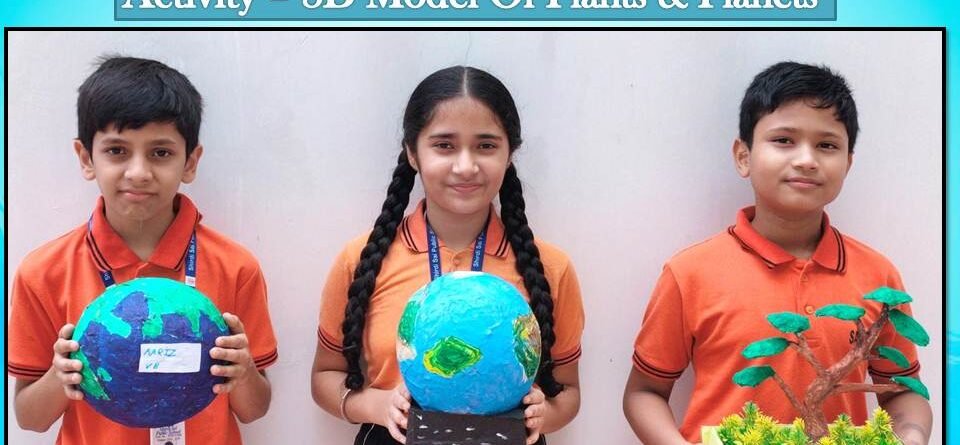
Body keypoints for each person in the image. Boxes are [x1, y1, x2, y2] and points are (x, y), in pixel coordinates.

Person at [622, 61, 933, 445]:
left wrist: (911, 435)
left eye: (827, 145)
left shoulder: (878, 276)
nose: (806, 159)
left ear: (848, 164)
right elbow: (644, 392)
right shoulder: (689, 272)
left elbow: (902, 391)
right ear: (743, 156)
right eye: (784, 140)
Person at [8, 56, 279, 445]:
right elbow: (29, 419)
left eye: (160, 153)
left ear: (190, 162)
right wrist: (60, 376)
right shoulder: (43, 272)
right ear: (86, 158)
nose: (138, 172)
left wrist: (243, 372)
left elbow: (255, 409)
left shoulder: (235, 266)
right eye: (117, 151)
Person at [310, 66, 585, 445]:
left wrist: (545, 414)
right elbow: (325, 376)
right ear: (412, 152)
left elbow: (568, 392)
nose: (465, 166)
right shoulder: (360, 259)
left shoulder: (551, 267)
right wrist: (376, 405)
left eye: (486, 146)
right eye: (444, 145)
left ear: (510, 154)